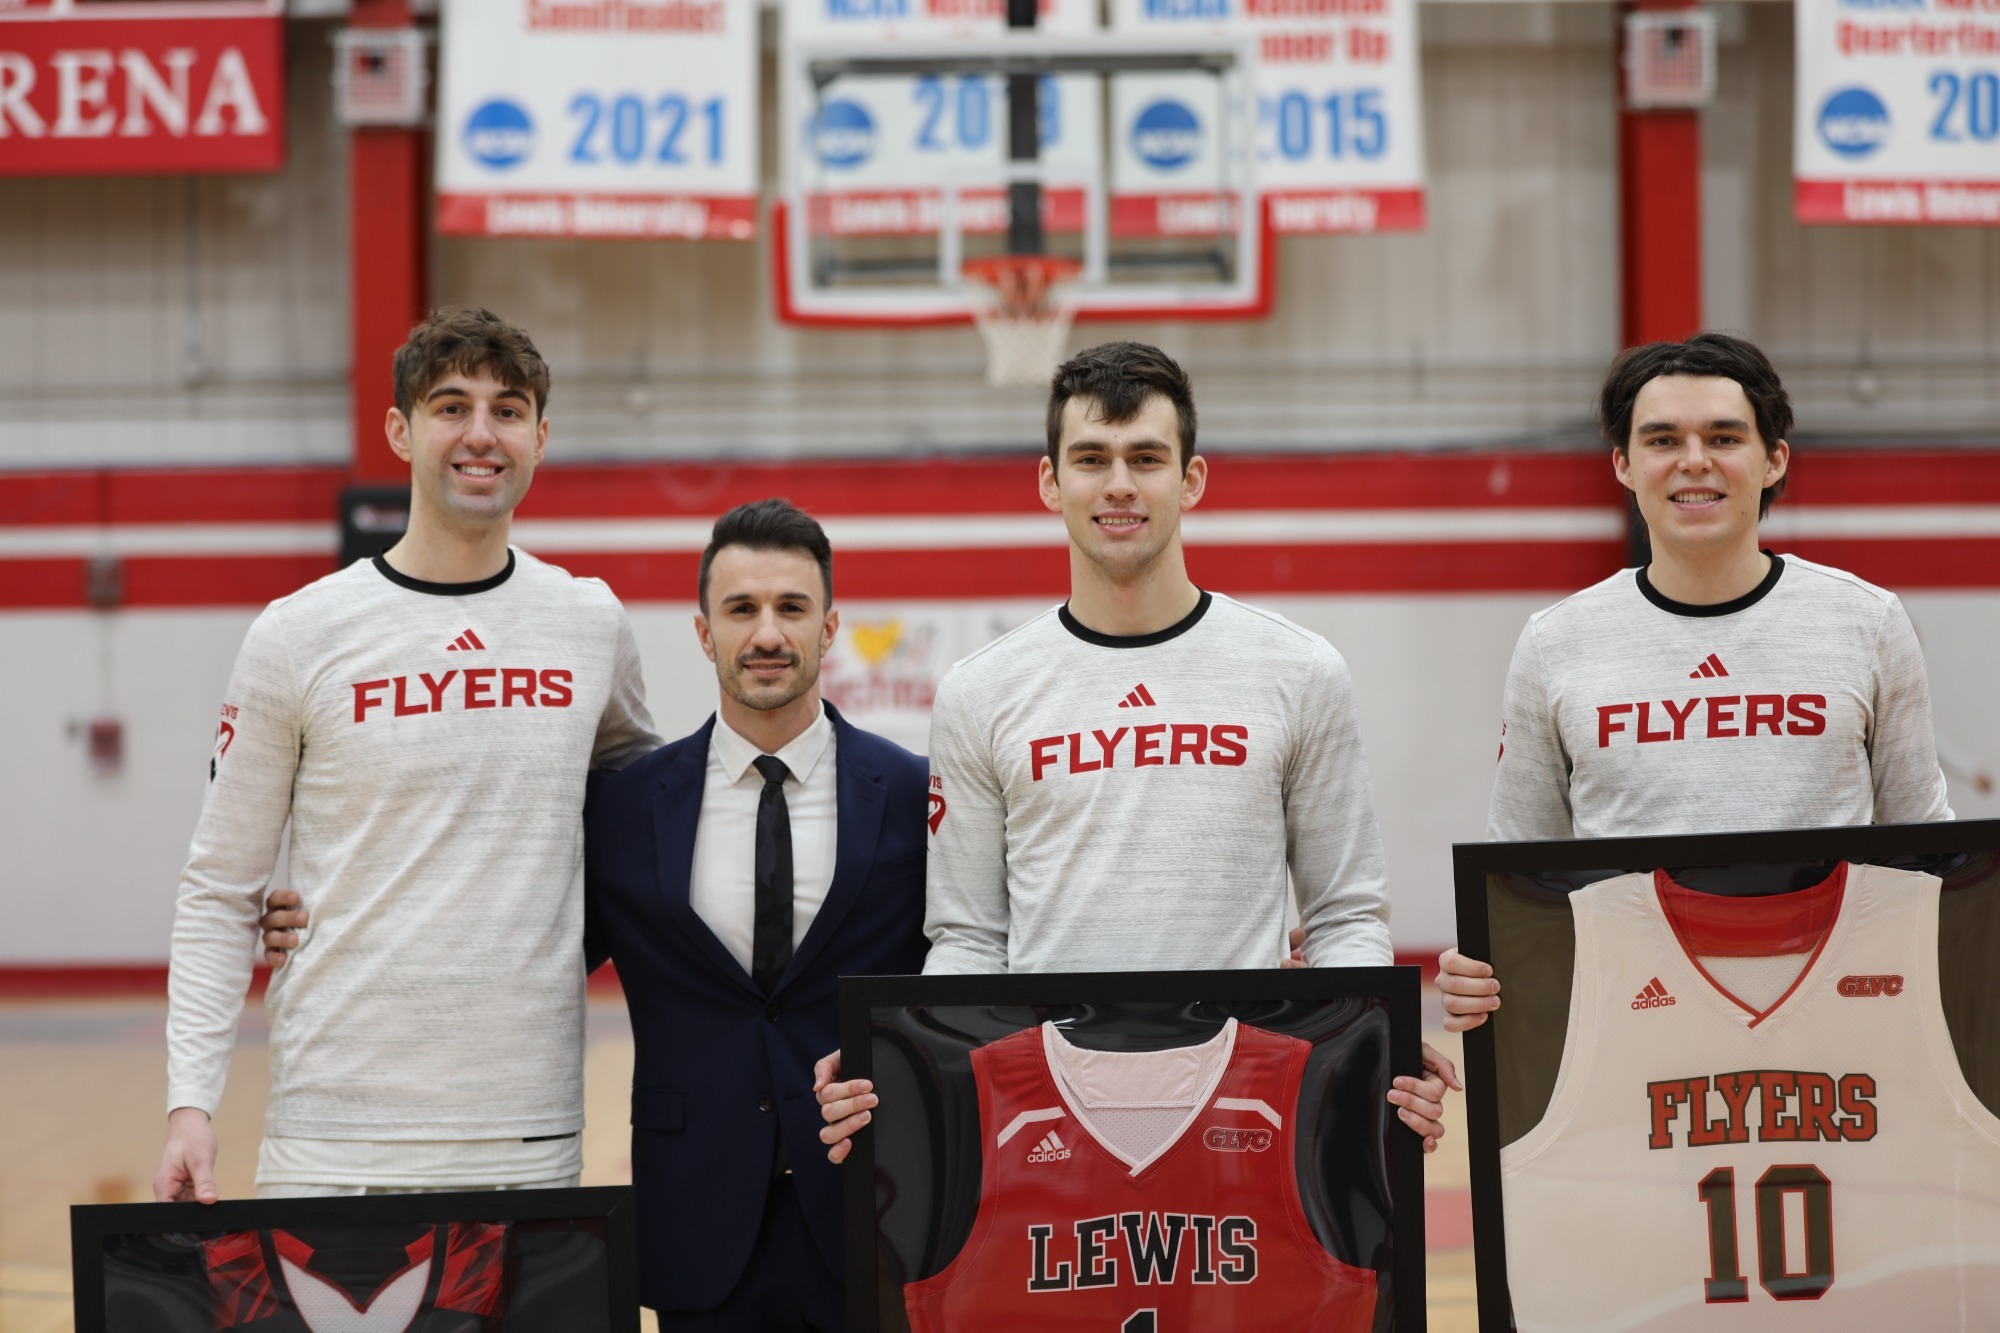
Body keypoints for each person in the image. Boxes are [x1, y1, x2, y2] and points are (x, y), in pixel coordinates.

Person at [815, 340, 1456, 1161]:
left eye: (1145, 457)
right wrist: (899, 1066)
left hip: (1250, 1108)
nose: (1118, 483)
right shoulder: (982, 690)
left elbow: (1343, 916)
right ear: (1051, 481)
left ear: (1190, 480)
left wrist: (1377, 1046)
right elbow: (971, 941)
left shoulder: (1298, 671)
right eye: (1091, 458)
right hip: (1049, 1116)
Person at [155, 308, 659, 1204]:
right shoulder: (297, 632)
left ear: (540, 438)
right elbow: (219, 887)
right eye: (450, 405)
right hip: (333, 1132)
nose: (480, 434)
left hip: (527, 1127)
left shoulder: (590, 623)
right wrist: (189, 1103)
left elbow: (653, 815)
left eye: (507, 410)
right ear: (400, 429)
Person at [1435, 332, 1954, 1030]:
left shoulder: (1867, 622)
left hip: (1834, 1019)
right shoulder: (1556, 641)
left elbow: (1927, 852)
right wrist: (1479, 968)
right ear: (1623, 463)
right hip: (1632, 1021)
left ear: (1773, 460)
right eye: (1662, 439)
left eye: (1723, 436)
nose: (1694, 461)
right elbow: (1519, 874)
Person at [582, 500, 929, 1330]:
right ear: (704, 632)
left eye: (791, 607)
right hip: (697, 1214)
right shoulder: (626, 807)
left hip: (873, 1209)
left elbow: (975, 962)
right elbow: (535, 945)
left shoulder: (914, 794)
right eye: (741, 609)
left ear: (831, 624)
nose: (766, 633)